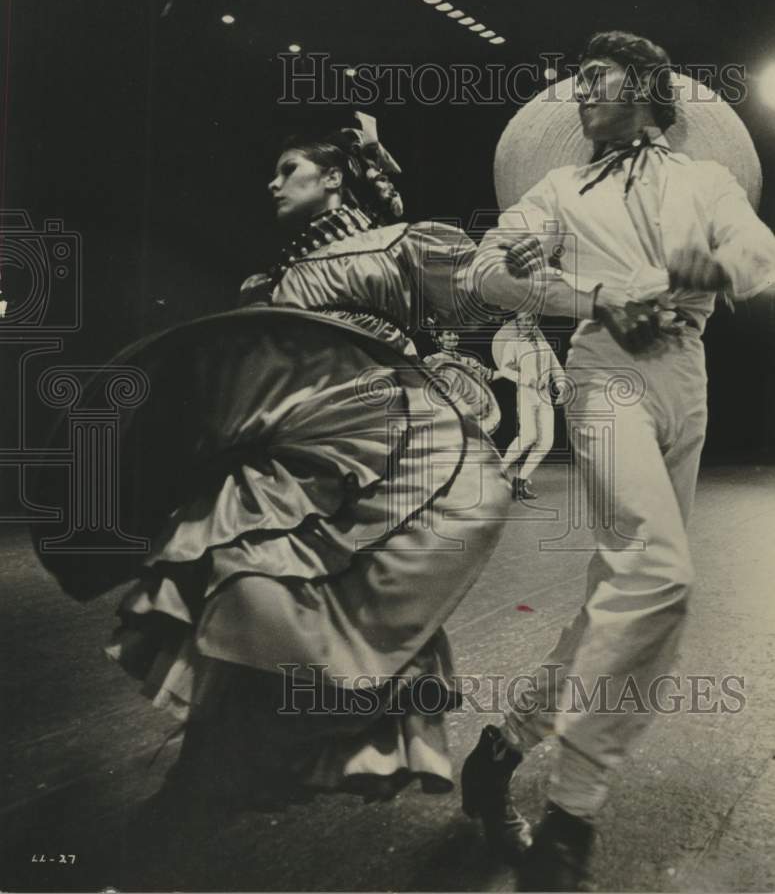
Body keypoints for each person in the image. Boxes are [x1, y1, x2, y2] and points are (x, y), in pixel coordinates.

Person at [40, 113, 522, 819]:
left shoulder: (400, 245)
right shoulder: (271, 283)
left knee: (335, 606)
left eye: (288, 168)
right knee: (233, 576)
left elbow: (485, 291)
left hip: (383, 448)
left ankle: (234, 763)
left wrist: (520, 268)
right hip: (284, 453)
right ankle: (211, 763)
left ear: (333, 177)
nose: (272, 181)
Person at [461, 31, 775, 890]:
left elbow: (758, 251)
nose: (578, 93)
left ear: (641, 83)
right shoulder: (558, 188)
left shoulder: (704, 182)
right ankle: (570, 819)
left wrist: (714, 262)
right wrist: (575, 288)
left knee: (620, 598)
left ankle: (501, 747)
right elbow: (484, 270)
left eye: (592, 77)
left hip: (686, 376)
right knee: (659, 574)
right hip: (605, 378)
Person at [492, 312, 565, 500]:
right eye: (521, 321)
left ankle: (520, 481)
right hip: (526, 394)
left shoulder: (543, 344)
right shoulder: (514, 344)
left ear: (534, 322)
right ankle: (496, 471)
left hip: (544, 396)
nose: (525, 324)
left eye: (528, 320)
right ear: (517, 324)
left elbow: (556, 368)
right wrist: (526, 379)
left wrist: (561, 386)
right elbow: (505, 368)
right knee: (528, 436)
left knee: (546, 442)